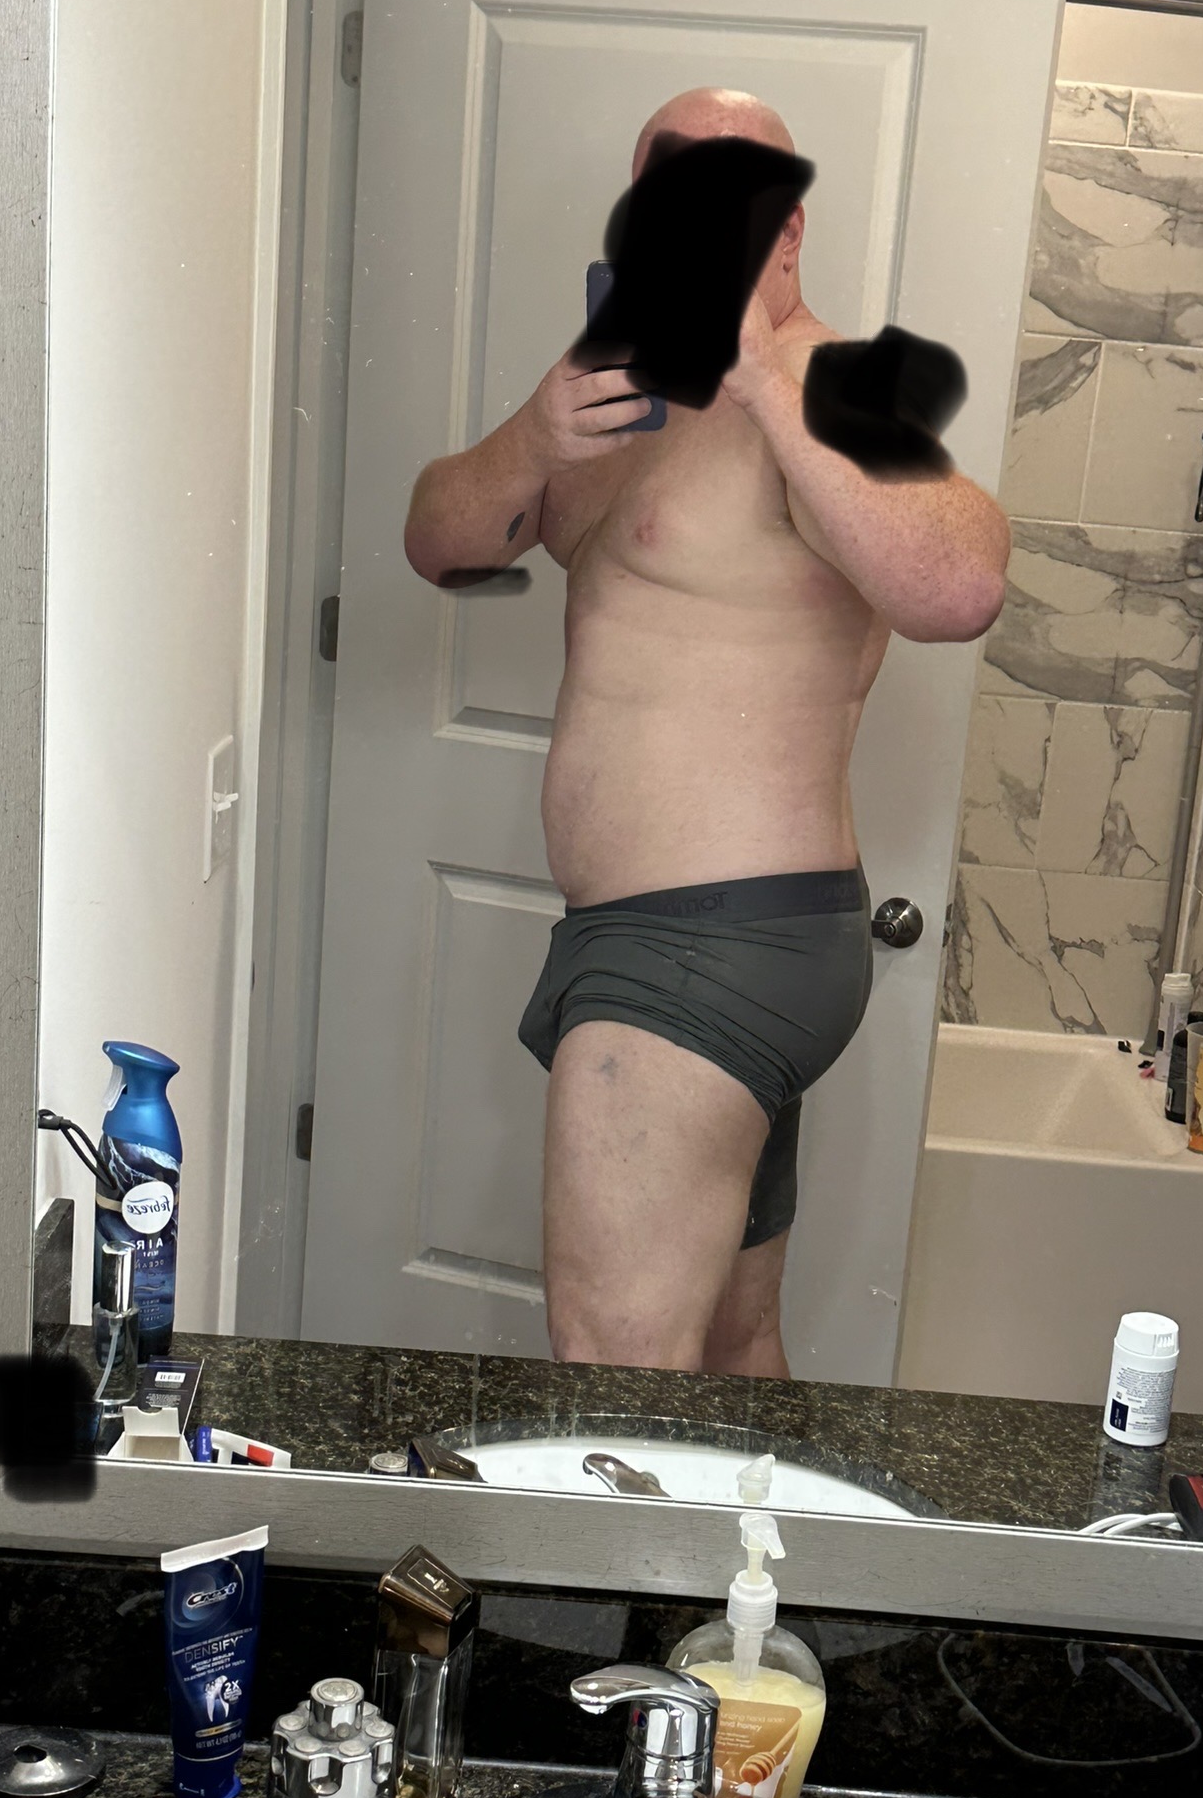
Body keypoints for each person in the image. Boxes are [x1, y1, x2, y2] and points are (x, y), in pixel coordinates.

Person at [403, 88, 1009, 1380]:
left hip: (708, 945)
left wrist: (763, 384)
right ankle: (743, 1533)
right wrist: (532, 437)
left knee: (614, 1360)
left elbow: (959, 587)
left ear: (786, 231)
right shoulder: (612, 398)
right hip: (694, 940)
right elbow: (440, 544)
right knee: (732, 1344)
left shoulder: (833, 386)